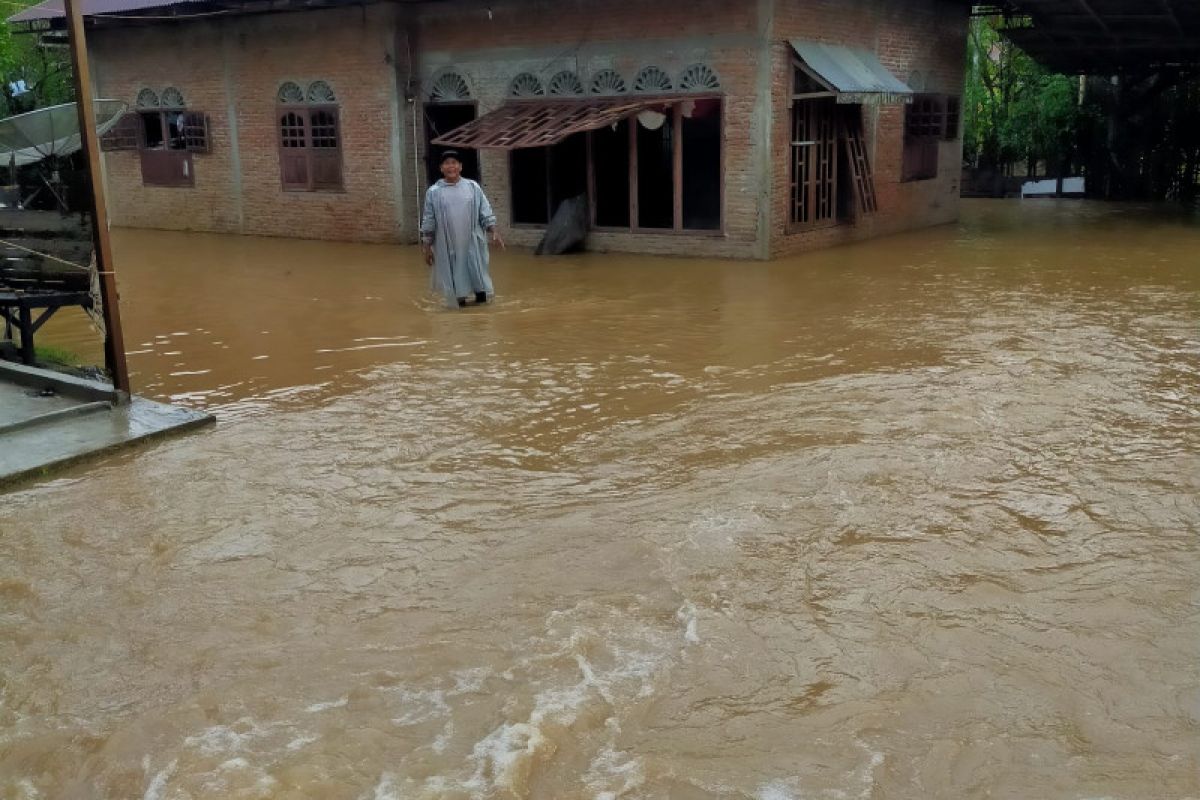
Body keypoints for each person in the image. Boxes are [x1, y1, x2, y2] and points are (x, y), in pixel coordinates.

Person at [420, 151, 504, 308]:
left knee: (478, 278)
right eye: (447, 163)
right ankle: (461, 311)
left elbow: (484, 210)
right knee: (455, 281)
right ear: (441, 168)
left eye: (454, 162)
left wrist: (494, 230)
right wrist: (427, 246)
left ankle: (481, 315)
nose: (451, 166)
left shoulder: (473, 187)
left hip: (472, 242)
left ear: (460, 166)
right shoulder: (434, 192)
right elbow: (429, 220)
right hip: (447, 245)